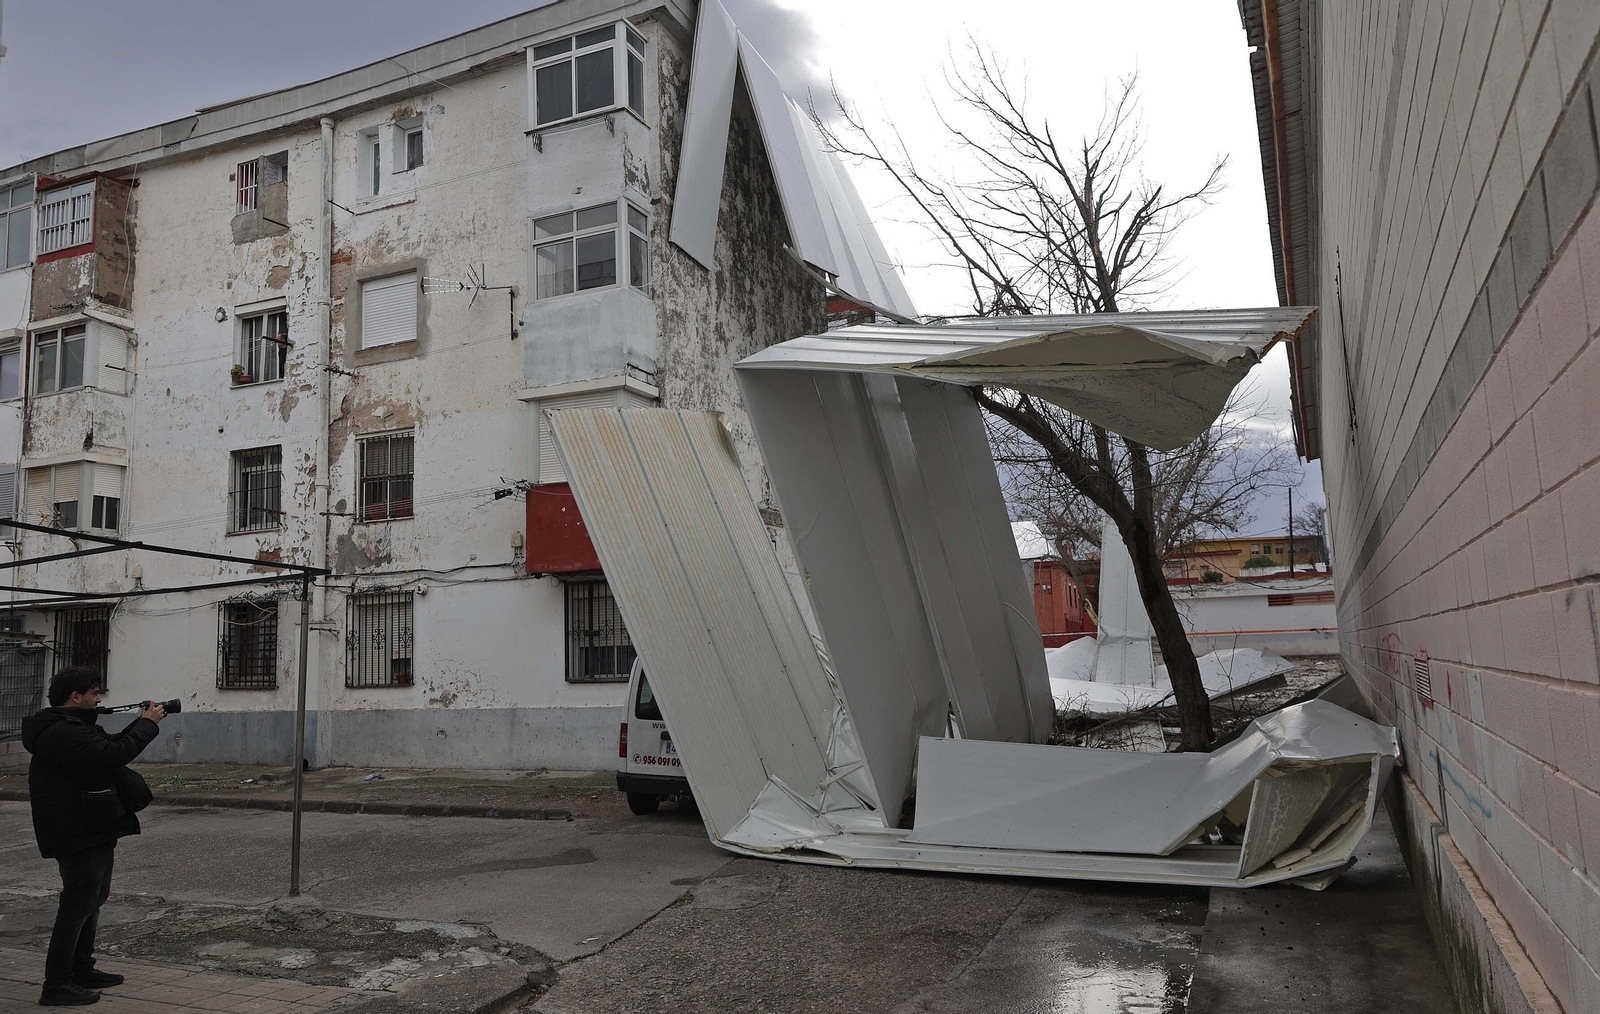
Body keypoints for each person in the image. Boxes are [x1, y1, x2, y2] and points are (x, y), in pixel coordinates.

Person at [21, 667, 165, 1007]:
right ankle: (57, 984)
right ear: (75, 697)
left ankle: (81, 969)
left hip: (92, 825)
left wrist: (142, 721)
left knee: (93, 899)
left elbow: (109, 746)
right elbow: (112, 756)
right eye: (94, 692)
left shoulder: (73, 726)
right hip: (76, 830)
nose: (99, 698)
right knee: (78, 904)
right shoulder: (61, 732)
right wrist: (147, 725)